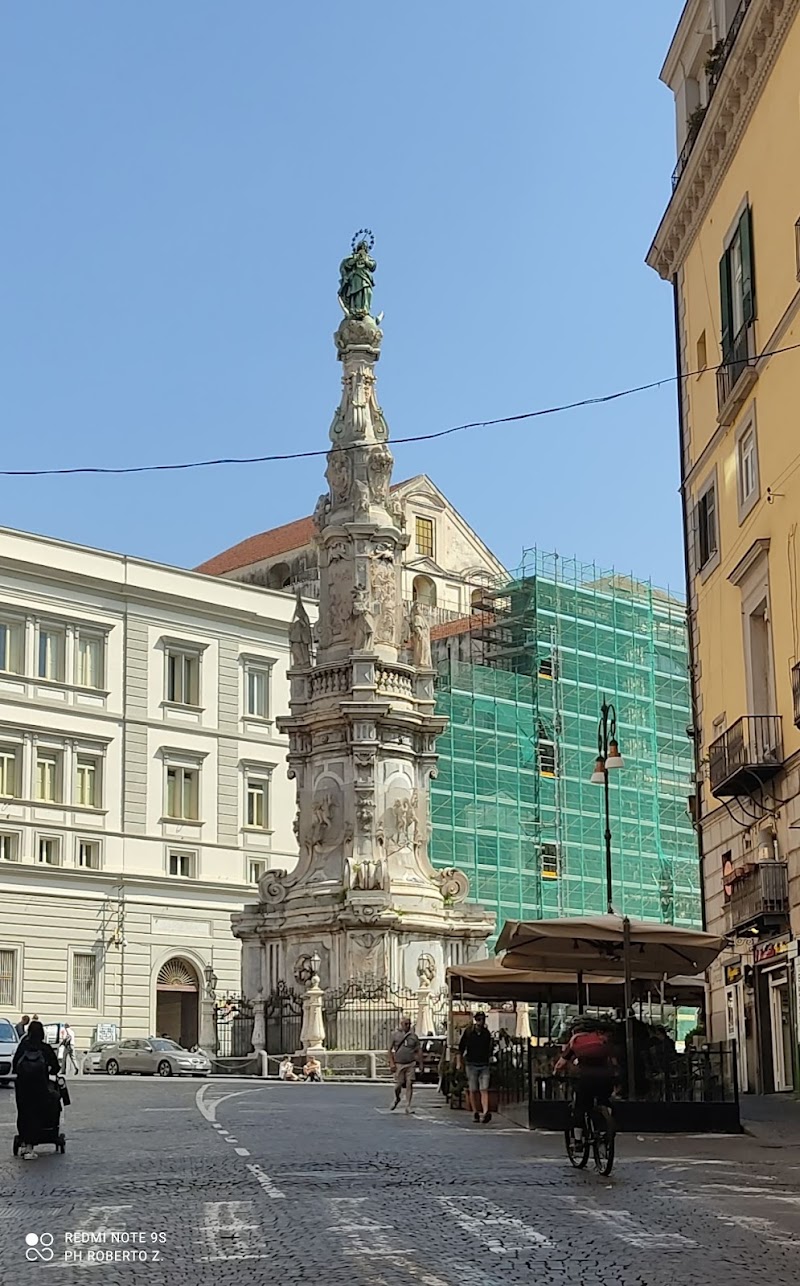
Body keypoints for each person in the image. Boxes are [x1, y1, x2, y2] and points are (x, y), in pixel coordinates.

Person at [554, 1018, 617, 1138]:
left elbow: (560, 1064)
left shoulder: (575, 1041)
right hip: (605, 1077)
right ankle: (607, 1123)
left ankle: (577, 1140)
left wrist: (555, 1073)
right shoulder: (602, 1039)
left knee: (580, 1107)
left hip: (585, 1078)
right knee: (604, 1100)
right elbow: (614, 1061)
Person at [12, 1020, 60, 1160]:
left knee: (24, 1113)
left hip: (23, 1087)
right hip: (40, 1086)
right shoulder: (45, 1048)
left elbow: (15, 1065)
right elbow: (56, 1068)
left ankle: (25, 1143)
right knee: (38, 1114)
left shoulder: (23, 1046)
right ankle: (30, 1147)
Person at [458, 1011, 494, 1123]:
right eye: (479, 1019)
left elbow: (490, 1048)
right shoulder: (469, 1032)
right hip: (471, 1064)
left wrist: (490, 1057)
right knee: (473, 1089)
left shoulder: (486, 1033)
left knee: (484, 1089)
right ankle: (475, 1112)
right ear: (475, 1020)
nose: (481, 1022)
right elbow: (461, 1048)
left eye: (482, 1019)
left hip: (484, 1064)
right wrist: (459, 1062)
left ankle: (485, 1111)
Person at [388, 1017, 421, 1114]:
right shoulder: (395, 1035)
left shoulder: (414, 1036)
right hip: (399, 1063)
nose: (407, 1026)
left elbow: (418, 1050)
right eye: (406, 1024)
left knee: (409, 1083)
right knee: (398, 1085)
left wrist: (420, 1063)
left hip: (410, 1063)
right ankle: (397, 1098)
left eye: (409, 1024)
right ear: (401, 1024)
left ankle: (408, 1106)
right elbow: (389, 1050)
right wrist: (391, 1063)